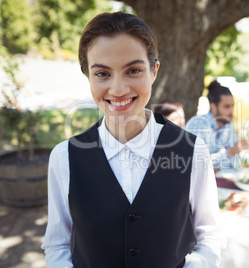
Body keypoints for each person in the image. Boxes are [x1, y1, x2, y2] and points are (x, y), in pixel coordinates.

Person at [41, 12, 224, 268]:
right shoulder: (63, 158)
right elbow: (58, 244)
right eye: (102, 73)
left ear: (153, 71)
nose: (118, 89)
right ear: (88, 77)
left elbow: (210, 234)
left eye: (133, 70)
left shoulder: (193, 151)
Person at [185, 80, 247, 169]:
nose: (231, 111)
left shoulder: (227, 124)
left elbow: (233, 158)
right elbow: (196, 163)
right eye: (227, 107)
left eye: (232, 106)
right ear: (213, 107)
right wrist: (228, 153)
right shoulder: (198, 125)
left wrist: (244, 164)